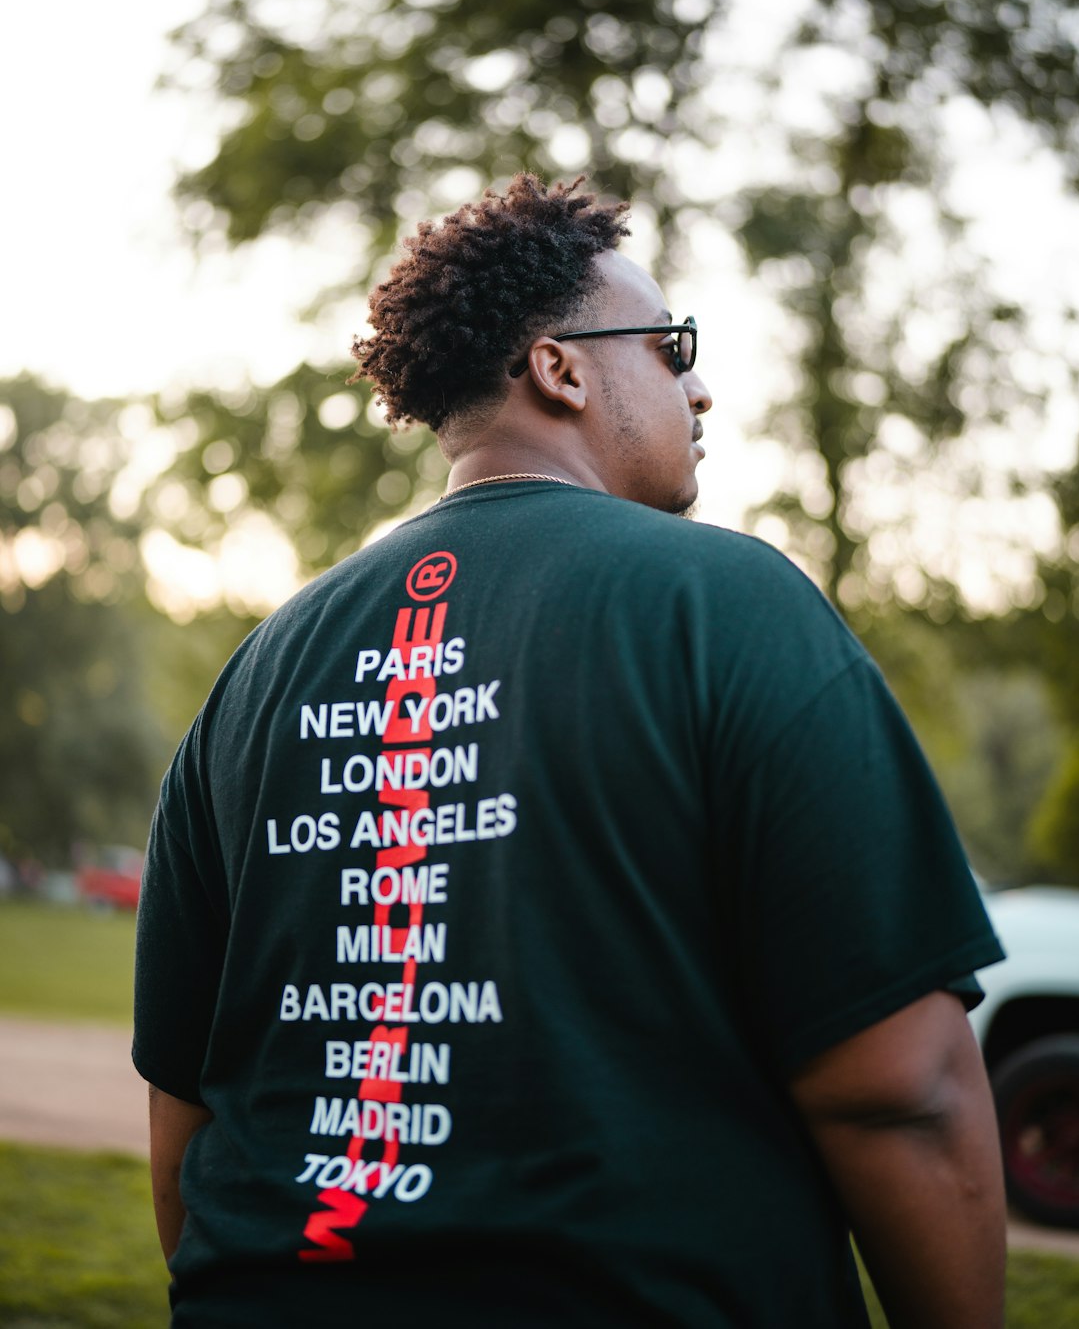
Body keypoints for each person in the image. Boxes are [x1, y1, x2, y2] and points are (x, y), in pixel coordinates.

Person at [134, 173, 1007, 1327]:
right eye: (670, 346)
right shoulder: (728, 604)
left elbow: (185, 1122)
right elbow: (898, 1089)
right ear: (563, 367)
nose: (700, 387)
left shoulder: (257, 670)